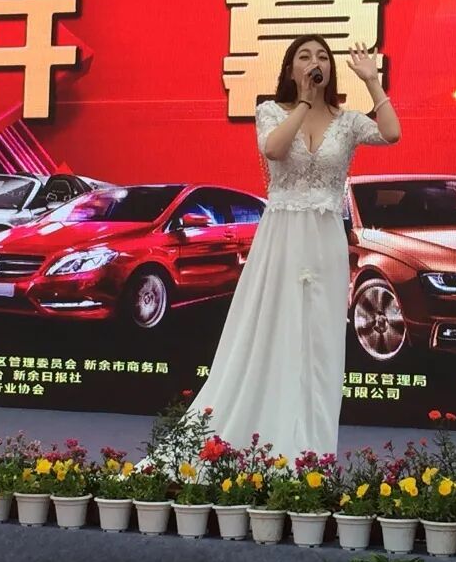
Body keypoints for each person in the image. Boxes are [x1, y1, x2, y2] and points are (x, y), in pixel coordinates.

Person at [154, 35, 400, 466]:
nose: (314, 62)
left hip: (325, 241)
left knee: (319, 343)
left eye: (322, 56)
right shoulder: (270, 111)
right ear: (290, 69)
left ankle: (309, 453)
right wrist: (303, 101)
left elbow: (392, 134)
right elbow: (274, 149)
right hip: (282, 238)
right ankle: (259, 440)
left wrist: (372, 82)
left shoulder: (347, 121)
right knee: (272, 331)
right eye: (304, 56)